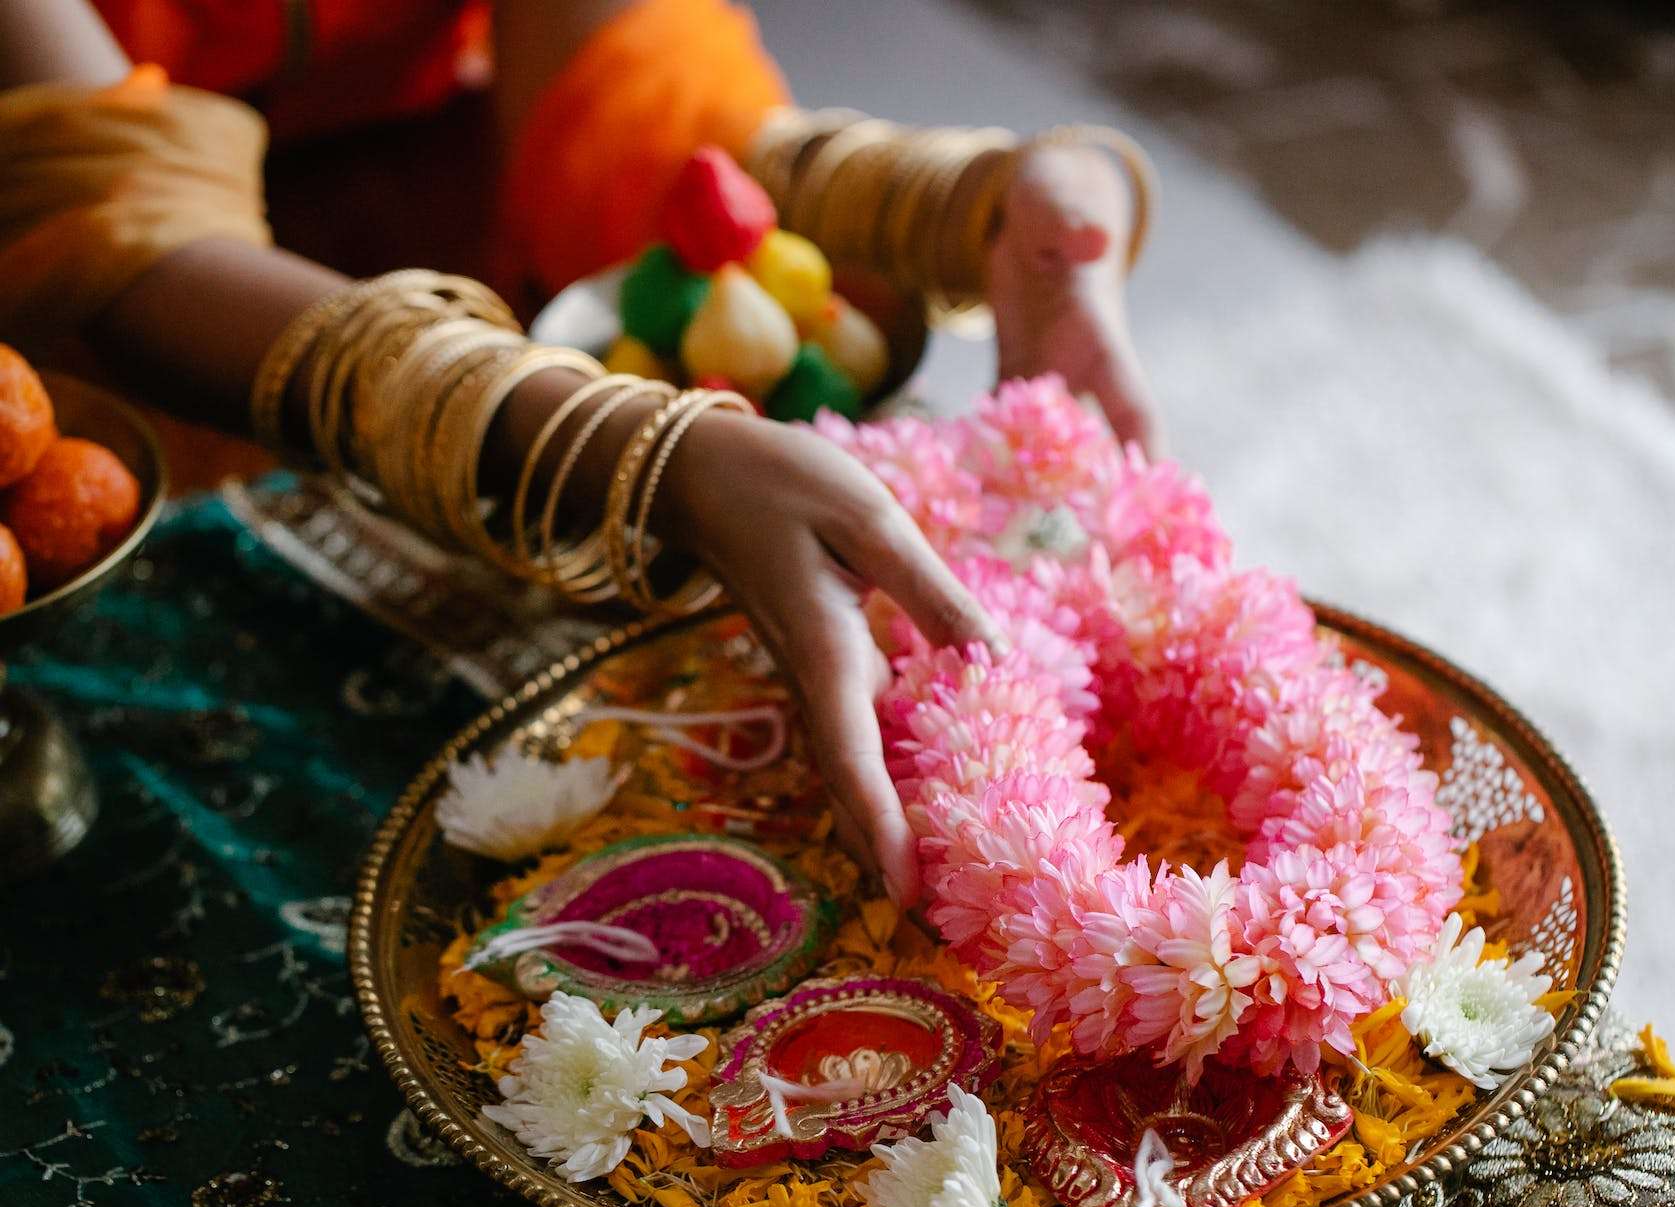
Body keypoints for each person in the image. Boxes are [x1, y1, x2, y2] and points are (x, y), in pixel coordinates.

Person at [0, 0, 1160, 907]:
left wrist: (985, 208)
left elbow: (629, 107)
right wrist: (645, 455)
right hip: (132, 414)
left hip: (477, 338)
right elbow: (117, 229)